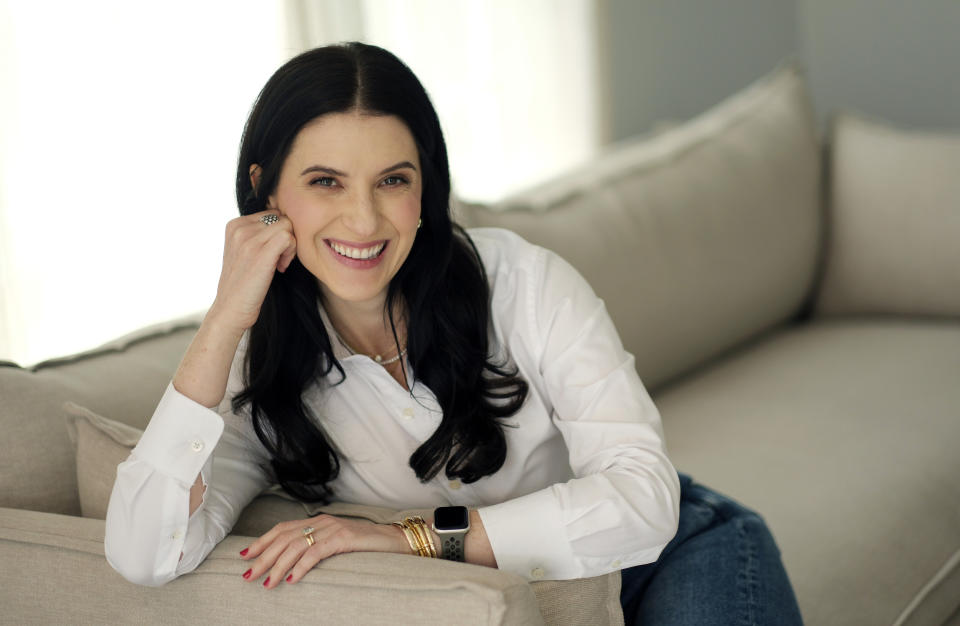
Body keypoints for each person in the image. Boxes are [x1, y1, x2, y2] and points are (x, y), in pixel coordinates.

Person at [104, 42, 802, 624]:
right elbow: (145, 553)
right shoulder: (258, 358)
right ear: (265, 190)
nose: (363, 219)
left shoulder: (524, 283)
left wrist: (404, 540)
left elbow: (645, 503)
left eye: (392, 180)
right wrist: (223, 320)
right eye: (325, 181)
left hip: (671, 555)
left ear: (424, 188)